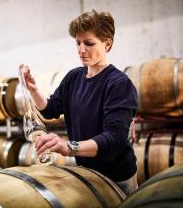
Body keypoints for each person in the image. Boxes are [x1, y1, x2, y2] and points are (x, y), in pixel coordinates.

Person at [21, 10, 138, 195]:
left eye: (89, 43)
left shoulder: (119, 84)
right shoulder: (74, 77)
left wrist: (69, 147)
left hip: (116, 178)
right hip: (87, 174)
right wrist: (33, 90)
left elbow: (114, 138)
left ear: (107, 44)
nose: (81, 50)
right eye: (78, 43)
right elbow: (50, 110)